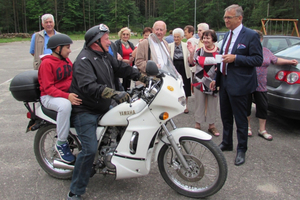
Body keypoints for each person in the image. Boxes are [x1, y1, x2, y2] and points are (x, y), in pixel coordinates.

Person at [67, 24, 147, 200]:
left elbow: (122, 67)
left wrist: (144, 78)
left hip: (104, 105)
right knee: (89, 150)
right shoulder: (83, 60)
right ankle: (75, 190)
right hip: (86, 110)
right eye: (106, 39)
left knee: (129, 121)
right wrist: (116, 94)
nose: (110, 42)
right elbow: (89, 87)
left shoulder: (104, 55)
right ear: (96, 42)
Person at [209, 4, 263, 166]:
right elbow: (223, 58)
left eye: (229, 18)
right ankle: (227, 142)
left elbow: (257, 59)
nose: (226, 20)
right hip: (225, 81)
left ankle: (241, 149)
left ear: (239, 18)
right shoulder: (227, 35)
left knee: (240, 119)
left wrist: (236, 58)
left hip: (240, 84)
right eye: (225, 17)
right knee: (225, 116)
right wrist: (216, 79)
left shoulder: (251, 35)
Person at [38, 34, 82, 164]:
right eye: (67, 48)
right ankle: (61, 143)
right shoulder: (47, 64)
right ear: (58, 48)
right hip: (49, 97)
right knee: (65, 106)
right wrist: (67, 96)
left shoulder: (66, 61)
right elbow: (48, 88)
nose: (70, 50)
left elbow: (72, 78)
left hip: (64, 94)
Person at [247, 30, 298, 140]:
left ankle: (262, 129)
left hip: (261, 85)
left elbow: (275, 60)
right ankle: (248, 127)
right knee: (246, 106)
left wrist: (290, 62)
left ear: (261, 40)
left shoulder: (266, 51)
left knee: (263, 106)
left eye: (258, 39)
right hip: (248, 83)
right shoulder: (247, 51)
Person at [187, 30, 220, 136]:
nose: (205, 40)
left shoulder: (219, 51)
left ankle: (212, 126)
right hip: (199, 81)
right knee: (199, 104)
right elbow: (192, 63)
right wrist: (191, 53)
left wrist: (217, 80)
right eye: (204, 38)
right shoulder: (199, 51)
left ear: (213, 39)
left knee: (212, 105)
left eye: (208, 38)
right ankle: (198, 125)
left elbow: (221, 67)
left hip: (213, 82)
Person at [169, 28, 192, 114]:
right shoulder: (169, 45)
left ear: (182, 37)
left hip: (184, 67)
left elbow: (189, 57)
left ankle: (185, 106)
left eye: (178, 37)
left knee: (185, 87)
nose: (176, 39)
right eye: (174, 37)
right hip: (174, 67)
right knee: (174, 87)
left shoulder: (186, 45)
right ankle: (174, 105)